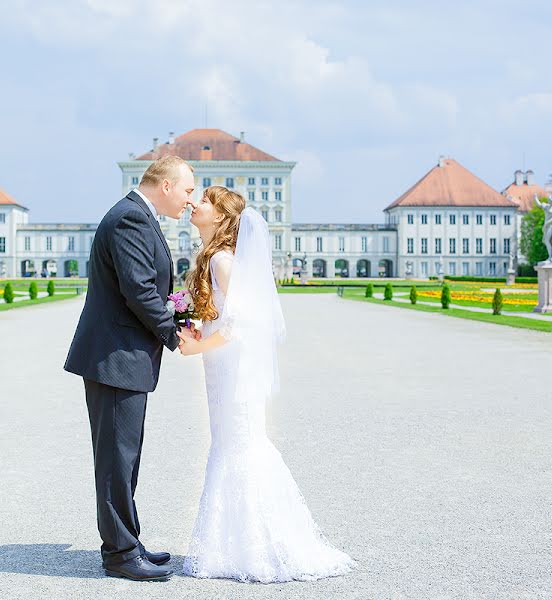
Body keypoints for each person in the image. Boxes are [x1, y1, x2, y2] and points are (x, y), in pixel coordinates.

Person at [178, 186, 356, 583]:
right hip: (220, 366)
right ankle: (234, 542)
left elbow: (243, 323)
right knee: (229, 443)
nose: (195, 204)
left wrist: (198, 346)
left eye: (204, 201)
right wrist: (186, 321)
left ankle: (253, 545)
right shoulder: (212, 258)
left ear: (221, 218)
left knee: (239, 444)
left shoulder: (223, 260)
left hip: (231, 366)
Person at [64, 155, 196, 581]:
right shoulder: (131, 219)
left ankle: (128, 540)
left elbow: (146, 287)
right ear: (166, 185)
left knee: (124, 456)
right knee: (117, 459)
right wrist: (175, 336)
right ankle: (120, 554)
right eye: (188, 190)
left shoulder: (137, 215)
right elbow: (139, 289)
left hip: (121, 356)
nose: (191, 200)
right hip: (115, 358)